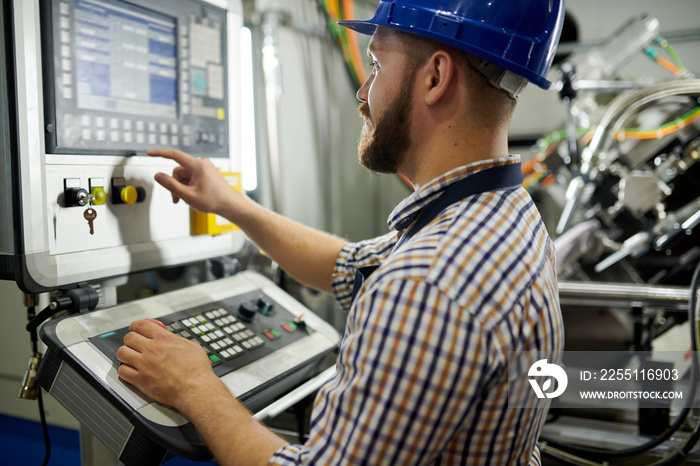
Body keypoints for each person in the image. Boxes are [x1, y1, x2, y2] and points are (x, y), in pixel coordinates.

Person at [117, 1, 565, 464]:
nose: (362, 91)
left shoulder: (425, 284)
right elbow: (348, 266)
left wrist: (195, 387)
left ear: (435, 77)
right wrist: (233, 205)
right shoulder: (506, 218)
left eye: (376, 65)